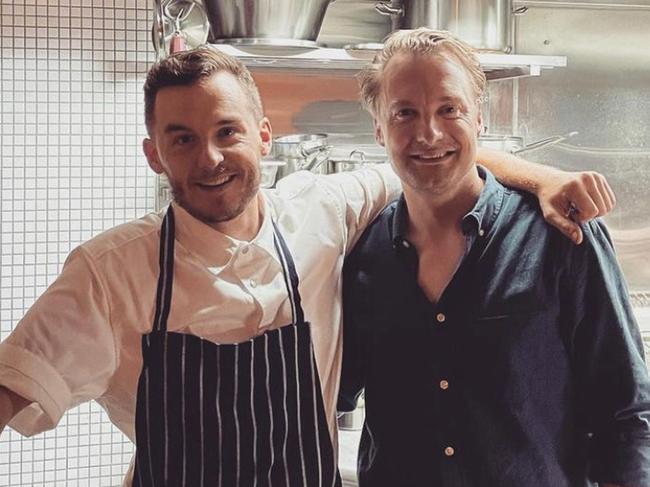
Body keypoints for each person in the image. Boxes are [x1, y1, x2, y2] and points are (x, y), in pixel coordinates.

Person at [0, 46, 616, 486]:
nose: (210, 157)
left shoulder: (321, 209)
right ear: (154, 155)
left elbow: (436, 157)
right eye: (182, 138)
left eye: (227, 131)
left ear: (263, 136)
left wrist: (548, 179)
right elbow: (12, 386)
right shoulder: (110, 272)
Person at [338, 28, 650, 487]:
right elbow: (333, 394)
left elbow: (625, 413)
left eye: (450, 109)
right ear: (379, 128)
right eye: (405, 113)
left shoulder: (562, 238)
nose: (429, 133)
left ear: (479, 119)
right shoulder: (362, 255)